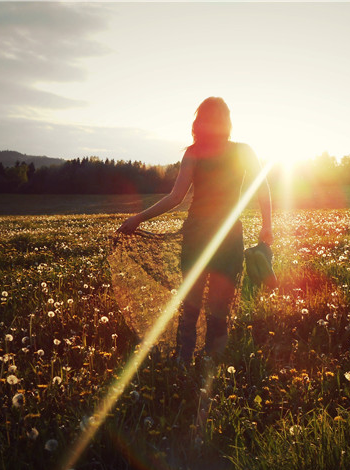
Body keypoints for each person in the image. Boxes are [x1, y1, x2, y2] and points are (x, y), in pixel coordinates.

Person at [116, 97, 273, 365]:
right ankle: (203, 362)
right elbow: (262, 189)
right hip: (217, 236)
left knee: (196, 305)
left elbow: (176, 197)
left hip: (209, 235)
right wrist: (267, 226)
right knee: (213, 307)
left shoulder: (204, 152)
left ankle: (188, 361)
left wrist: (139, 218)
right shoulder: (216, 151)